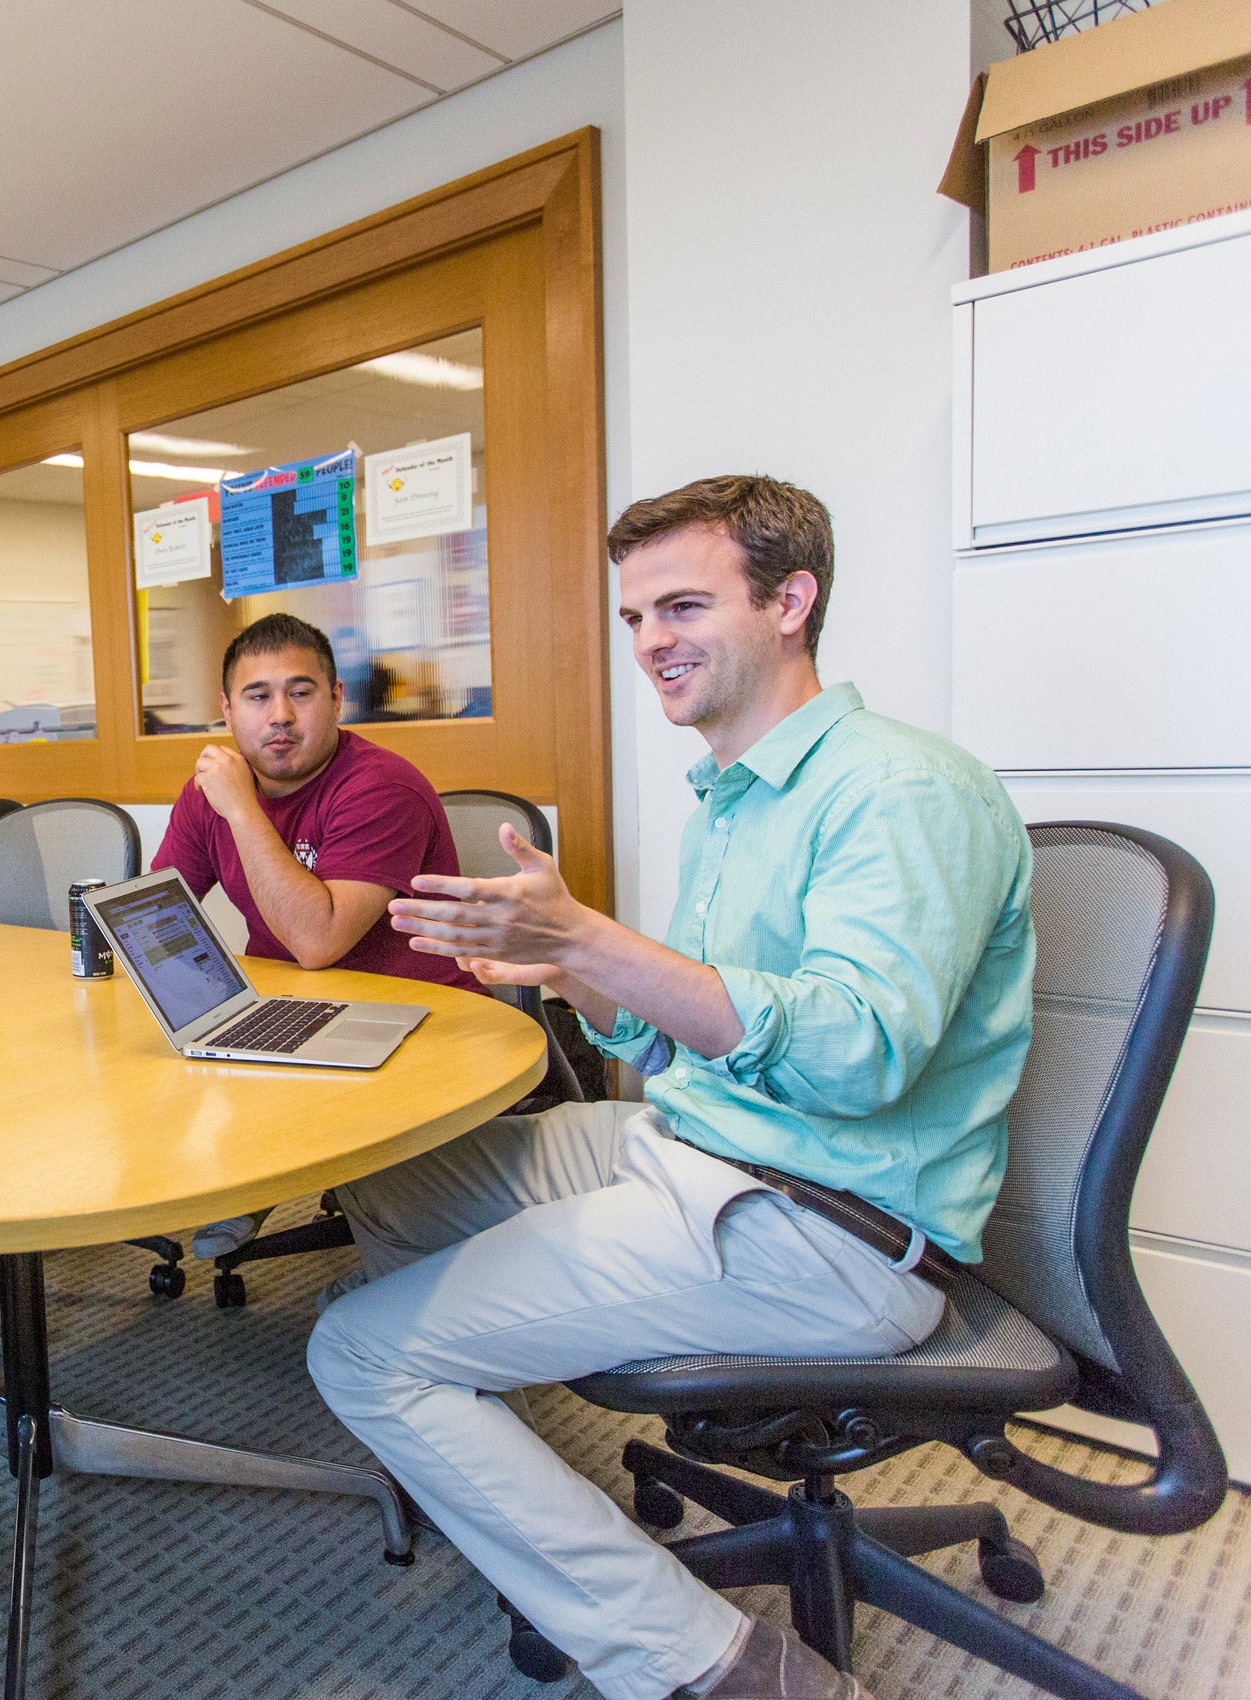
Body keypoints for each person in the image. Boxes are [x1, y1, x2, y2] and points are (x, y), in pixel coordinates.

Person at [310, 477, 1034, 1700]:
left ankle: (714, 1664)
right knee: (387, 1191)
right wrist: (561, 972)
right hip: (697, 1149)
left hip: (828, 1224)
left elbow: (859, 1054)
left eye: (683, 604)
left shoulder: (899, 790)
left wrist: (593, 938)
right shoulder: (731, 796)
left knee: (362, 1355)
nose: (650, 641)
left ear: (791, 601)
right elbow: (677, 1046)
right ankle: (530, 1517)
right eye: (635, 614)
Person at [150, 611, 482, 1257]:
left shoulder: (382, 786)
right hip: (292, 1009)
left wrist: (243, 808)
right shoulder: (209, 795)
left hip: (418, 1016)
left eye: (299, 693)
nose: (279, 715)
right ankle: (255, 1170)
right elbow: (160, 912)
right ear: (226, 710)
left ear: (336, 699)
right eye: (257, 696)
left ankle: (304, 1189)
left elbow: (318, 940)